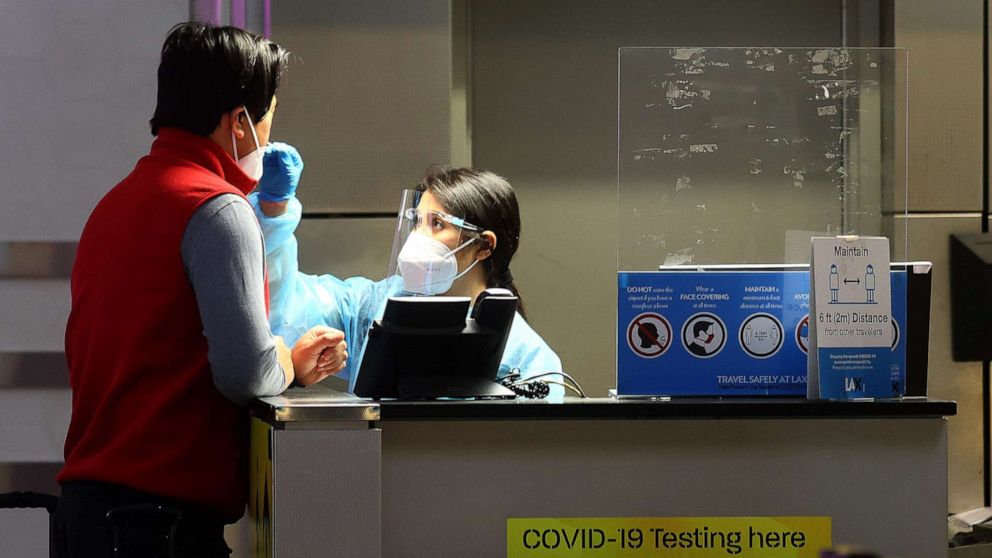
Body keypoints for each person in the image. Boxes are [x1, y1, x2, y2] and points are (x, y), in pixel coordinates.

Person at [56, 23, 347, 557]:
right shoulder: (218, 209)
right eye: (266, 119)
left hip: (88, 516)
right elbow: (245, 373)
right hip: (154, 527)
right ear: (239, 123)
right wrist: (290, 358)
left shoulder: (116, 203)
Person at [250, 157, 565, 396]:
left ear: (483, 246)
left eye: (437, 224)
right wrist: (274, 215)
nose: (419, 236)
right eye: (417, 221)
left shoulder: (528, 358)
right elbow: (285, 305)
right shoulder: (376, 308)